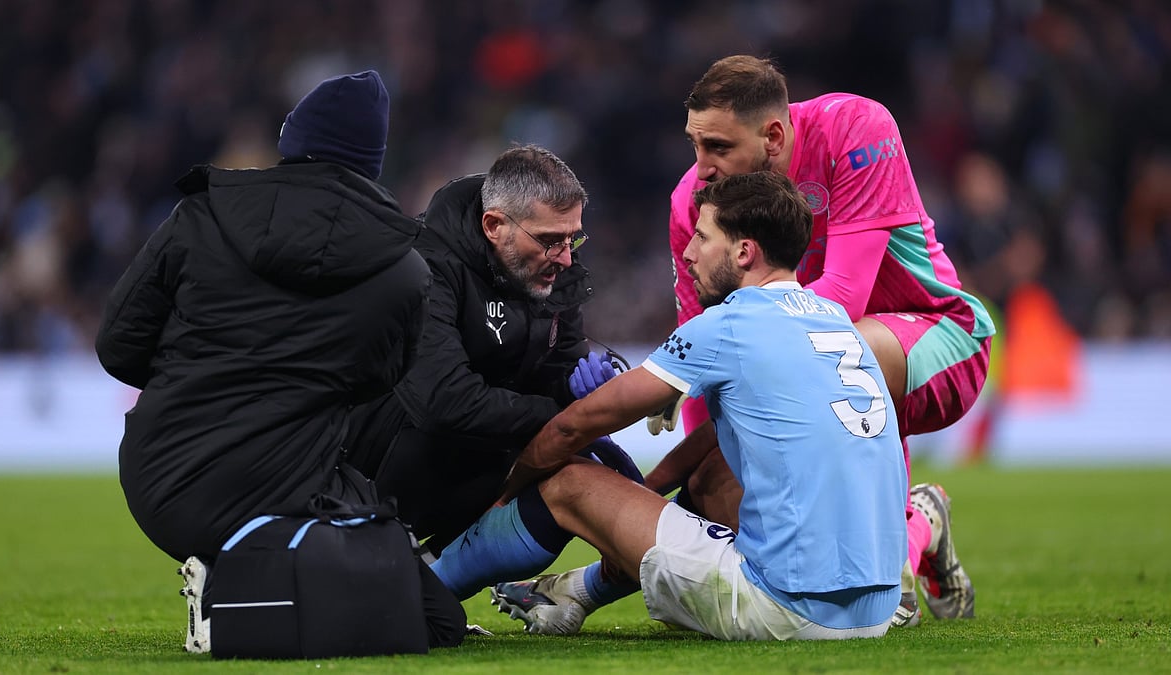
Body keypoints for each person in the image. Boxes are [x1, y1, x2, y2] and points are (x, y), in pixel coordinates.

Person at [428, 171, 908, 641]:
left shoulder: (727, 325)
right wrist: (644, 498)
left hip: (789, 608)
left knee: (566, 480)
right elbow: (713, 439)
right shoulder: (837, 320)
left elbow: (573, 429)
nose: (689, 252)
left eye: (702, 237)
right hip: (878, 610)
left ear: (744, 252)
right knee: (712, 479)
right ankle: (576, 592)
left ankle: (425, 587)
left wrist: (506, 493)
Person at [95, 69, 465, 653]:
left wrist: (195, 375)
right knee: (436, 624)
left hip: (161, 475)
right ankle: (234, 599)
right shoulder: (405, 271)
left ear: (292, 139)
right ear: (372, 158)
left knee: (427, 616)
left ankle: (228, 579)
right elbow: (383, 383)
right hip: (289, 484)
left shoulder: (200, 216)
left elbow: (117, 346)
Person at [653, 54, 992, 625]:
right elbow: (710, 359)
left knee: (834, 351)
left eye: (717, 147)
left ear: (775, 136)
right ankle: (918, 523)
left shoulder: (855, 128)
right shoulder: (693, 203)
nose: (701, 167)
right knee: (737, 473)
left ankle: (902, 537)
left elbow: (843, 299)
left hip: (938, 332)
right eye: (695, 145)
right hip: (821, 359)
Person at [343, 143, 641, 558]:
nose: (567, 258)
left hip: (468, 460)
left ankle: (430, 570)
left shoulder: (547, 266)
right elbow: (444, 401)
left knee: (580, 469)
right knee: (556, 456)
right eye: (552, 240)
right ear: (493, 225)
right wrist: (568, 422)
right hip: (380, 467)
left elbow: (556, 368)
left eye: (574, 237)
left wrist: (579, 392)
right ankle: (400, 560)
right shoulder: (421, 269)